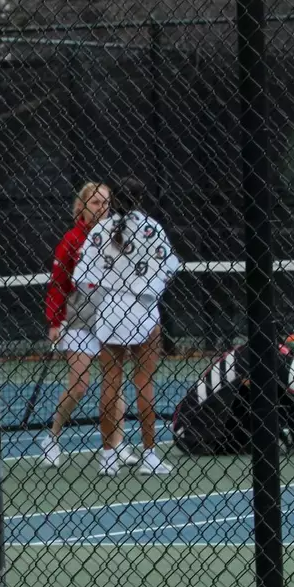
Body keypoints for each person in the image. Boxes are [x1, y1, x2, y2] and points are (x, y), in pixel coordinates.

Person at [72, 176, 182, 475]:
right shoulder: (151, 228)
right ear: (141, 198)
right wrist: (148, 290)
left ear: (114, 200)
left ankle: (108, 456)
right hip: (144, 310)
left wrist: (106, 294)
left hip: (110, 312)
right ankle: (149, 455)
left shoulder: (100, 230)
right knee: (144, 383)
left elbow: (82, 277)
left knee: (110, 383)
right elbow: (170, 268)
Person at [40, 181, 137, 468]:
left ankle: (117, 444)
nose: (102, 208)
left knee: (114, 385)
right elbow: (58, 284)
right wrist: (55, 321)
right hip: (80, 321)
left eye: (106, 203)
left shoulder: (119, 237)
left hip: (112, 321)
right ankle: (52, 438)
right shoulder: (71, 240)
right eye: (95, 203)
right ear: (81, 207)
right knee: (80, 385)